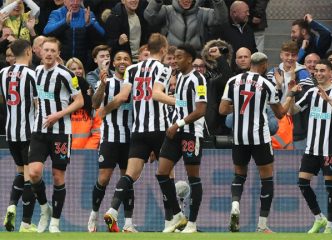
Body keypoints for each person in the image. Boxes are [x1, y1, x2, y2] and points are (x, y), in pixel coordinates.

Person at [100, 33, 175, 233]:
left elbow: (122, 97)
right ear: (164, 50)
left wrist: (104, 111)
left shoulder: (132, 69)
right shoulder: (165, 68)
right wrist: (182, 102)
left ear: (147, 49)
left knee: (130, 175)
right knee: (168, 174)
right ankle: (170, 223)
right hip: (160, 129)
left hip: (138, 130)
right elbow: (157, 94)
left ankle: (113, 210)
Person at [219, 52, 300, 233]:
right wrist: (290, 95)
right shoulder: (267, 84)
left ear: (250, 63)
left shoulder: (233, 81)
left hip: (239, 137)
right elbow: (280, 114)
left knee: (239, 175)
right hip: (260, 137)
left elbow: (222, 109)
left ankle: (235, 205)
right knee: (267, 178)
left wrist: (241, 105)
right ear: (263, 65)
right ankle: (262, 225)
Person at [28, 37, 84, 233]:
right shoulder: (36, 72)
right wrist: (40, 116)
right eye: (46, 50)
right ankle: (45, 209)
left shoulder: (67, 75)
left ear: (58, 53)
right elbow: (37, 98)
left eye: (53, 50)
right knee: (34, 173)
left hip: (61, 132)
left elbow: (79, 101)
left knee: (58, 176)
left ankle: (55, 222)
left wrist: (57, 115)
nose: (49, 54)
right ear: (40, 52)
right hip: (39, 130)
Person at [290, 59, 332, 233]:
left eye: (323, 70)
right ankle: (319, 218)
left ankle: (330, 224)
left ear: (331, 73)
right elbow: (292, 111)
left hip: (330, 149)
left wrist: (329, 99)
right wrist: (291, 94)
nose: (319, 73)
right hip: (312, 148)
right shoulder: (311, 92)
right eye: (316, 70)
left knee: (330, 186)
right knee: (302, 183)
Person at [155, 44, 207, 233]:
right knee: (161, 173)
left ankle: (192, 223)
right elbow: (181, 105)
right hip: (175, 131)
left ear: (189, 59)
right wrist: (174, 123)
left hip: (191, 132)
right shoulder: (179, 78)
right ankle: (178, 215)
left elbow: (201, 110)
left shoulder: (198, 79)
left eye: (179, 57)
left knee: (193, 177)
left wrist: (178, 124)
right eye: (174, 57)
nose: (175, 60)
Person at [87, 50, 134, 232]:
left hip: (130, 138)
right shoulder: (106, 82)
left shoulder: (135, 83)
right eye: (119, 59)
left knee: (127, 179)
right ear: (113, 63)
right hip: (110, 137)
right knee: (104, 178)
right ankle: (94, 215)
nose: (122, 62)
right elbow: (94, 104)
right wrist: (102, 85)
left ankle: (128, 223)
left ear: (131, 63)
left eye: (126, 59)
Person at [0, 39, 37, 232]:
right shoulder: (33, 74)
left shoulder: (2, 73)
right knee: (30, 176)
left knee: (21, 173)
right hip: (28, 132)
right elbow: (38, 104)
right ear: (29, 51)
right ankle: (26, 223)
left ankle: (12, 205)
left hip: (10, 132)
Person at [266, 41, 313, 150]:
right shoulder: (273, 73)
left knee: (296, 156)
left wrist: (293, 81)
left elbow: (305, 100)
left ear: (297, 56)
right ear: (281, 55)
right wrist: (278, 86)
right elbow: (268, 100)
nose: (290, 58)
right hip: (276, 120)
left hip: (297, 122)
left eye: (293, 55)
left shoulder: (304, 74)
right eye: (287, 54)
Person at [144, 0, 228, 51]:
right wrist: (157, 1)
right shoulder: (167, 10)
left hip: (195, 59)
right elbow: (149, 17)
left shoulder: (203, 13)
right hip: (171, 57)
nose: (186, 0)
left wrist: (218, 1)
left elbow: (221, 19)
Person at [43, 0, 105, 65]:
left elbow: (102, 34)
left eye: (77, 0)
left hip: (82, 64)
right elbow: (46, 31)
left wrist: (89, 24)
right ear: (65, 2)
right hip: (61, 62)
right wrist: (65, 22)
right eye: (71, 0)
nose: (75, 3)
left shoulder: (87, 13)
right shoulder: (57, 13)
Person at [66, 57, 101, 150]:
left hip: (87, 150)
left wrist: (89, 149)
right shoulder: (63, 96)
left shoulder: (91, 94)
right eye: (73, 69)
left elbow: (97, 129)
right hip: (66, 149)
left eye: (80, 68)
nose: (78, 71)